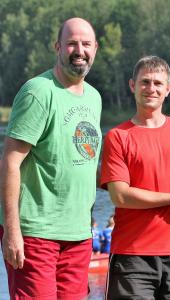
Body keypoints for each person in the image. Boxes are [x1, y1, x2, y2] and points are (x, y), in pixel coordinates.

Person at [0, 17, 101, 299]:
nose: (79, 50)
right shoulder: (38, 92)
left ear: (96, 49)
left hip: (78, 236)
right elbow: (10, 162)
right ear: (58, 47)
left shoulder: (94, 97)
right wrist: (12, 231)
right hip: (36, 233)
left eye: (86, 44)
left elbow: (83, 164)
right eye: (71, 43)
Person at [100, 55, 170, 299]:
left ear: (168, 89)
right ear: (133, 85)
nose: (151, 89)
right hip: (132, 257)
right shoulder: (118, 136)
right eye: (145, 82)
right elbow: (120, 196)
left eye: (158, 83)